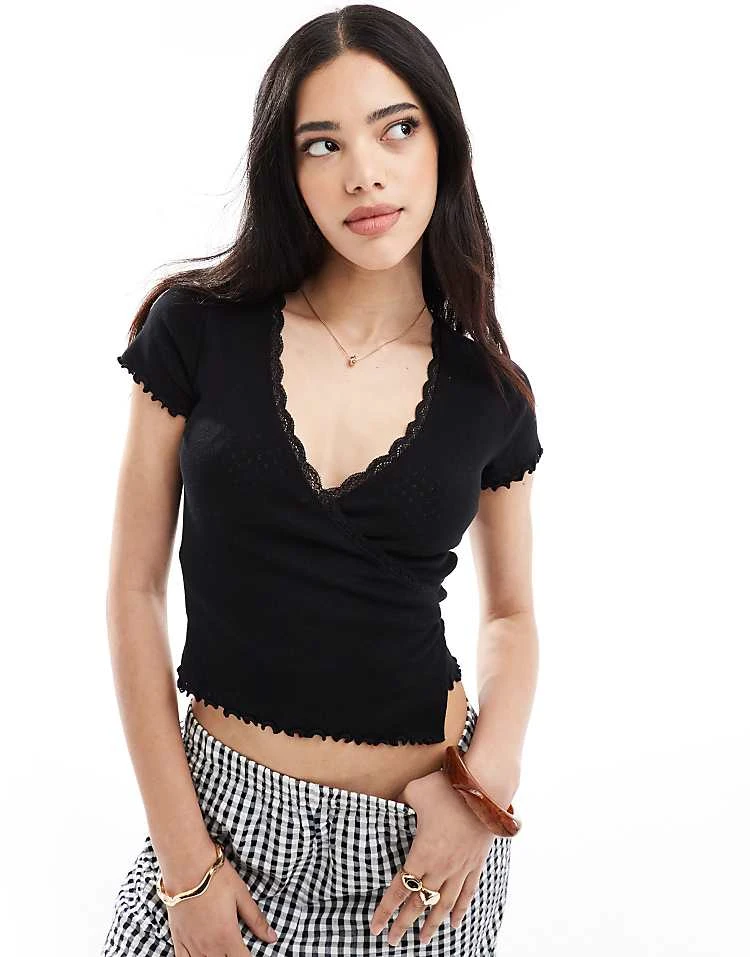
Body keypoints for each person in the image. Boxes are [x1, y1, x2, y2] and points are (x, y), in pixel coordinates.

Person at [102, 5, 544, 956]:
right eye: (322, 143)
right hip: (220, 827)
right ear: (287, 168)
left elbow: (511, 615)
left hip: (416, 860)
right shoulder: (194, 331)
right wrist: (185, 867)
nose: (363, 174)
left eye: (396, 129)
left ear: (443, 142)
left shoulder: (492, 395)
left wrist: (484, 789)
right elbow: (134, 591)